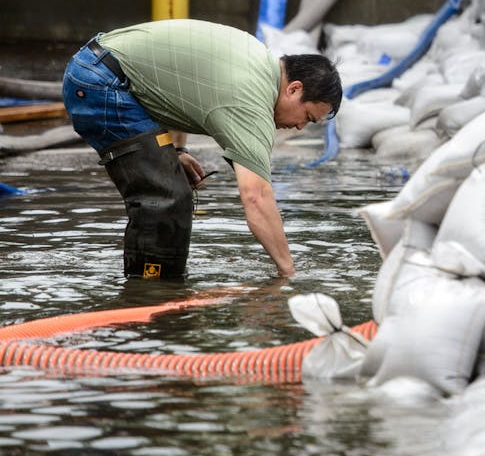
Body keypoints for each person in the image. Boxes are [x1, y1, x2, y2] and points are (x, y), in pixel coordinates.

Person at [61, 19, 342, 280]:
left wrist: (175, 152)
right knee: (166, 197)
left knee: (172, 184)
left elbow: (178, 88)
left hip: (101, 66)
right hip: (101, 82)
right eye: (307, 117)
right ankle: (149, 292)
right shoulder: (251, 101)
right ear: (293, 89)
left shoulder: (256, 57)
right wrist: (288, 274)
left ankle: (154, 284)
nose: (301, 127)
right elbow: (256, 198)